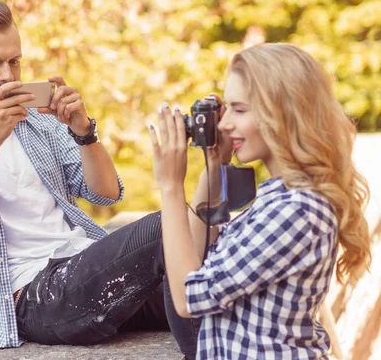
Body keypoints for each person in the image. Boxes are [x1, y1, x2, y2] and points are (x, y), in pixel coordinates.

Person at [0, 0, 200, 354]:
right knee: (168, 223)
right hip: (33, 297)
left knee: (202, 247)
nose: (8, 76)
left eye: (14, 61)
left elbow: (105, 193)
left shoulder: (39, 123)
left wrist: (84, 132)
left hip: (84, 270)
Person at [149, 43, 371, 359]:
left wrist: (171, 187)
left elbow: (188, 298)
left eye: (239, 110)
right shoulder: (277, 198)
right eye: (227, 110)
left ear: (283, 113)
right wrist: (215, 167)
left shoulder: (297, 212)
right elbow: (198, 261)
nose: (225, 124)